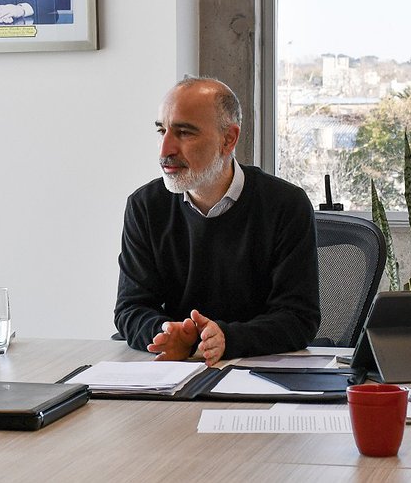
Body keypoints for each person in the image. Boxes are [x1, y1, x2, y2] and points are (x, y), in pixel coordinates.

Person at [113, 77, 320, 366]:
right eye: (162, 131)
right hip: (171, 372)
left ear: (228, 139)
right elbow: (130, 308)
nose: (164, 150)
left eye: (184, 133)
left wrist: (228, 338)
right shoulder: (145, 206)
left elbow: (299, 318)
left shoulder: (286, 205)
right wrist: (164, 333)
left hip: (254, 370)